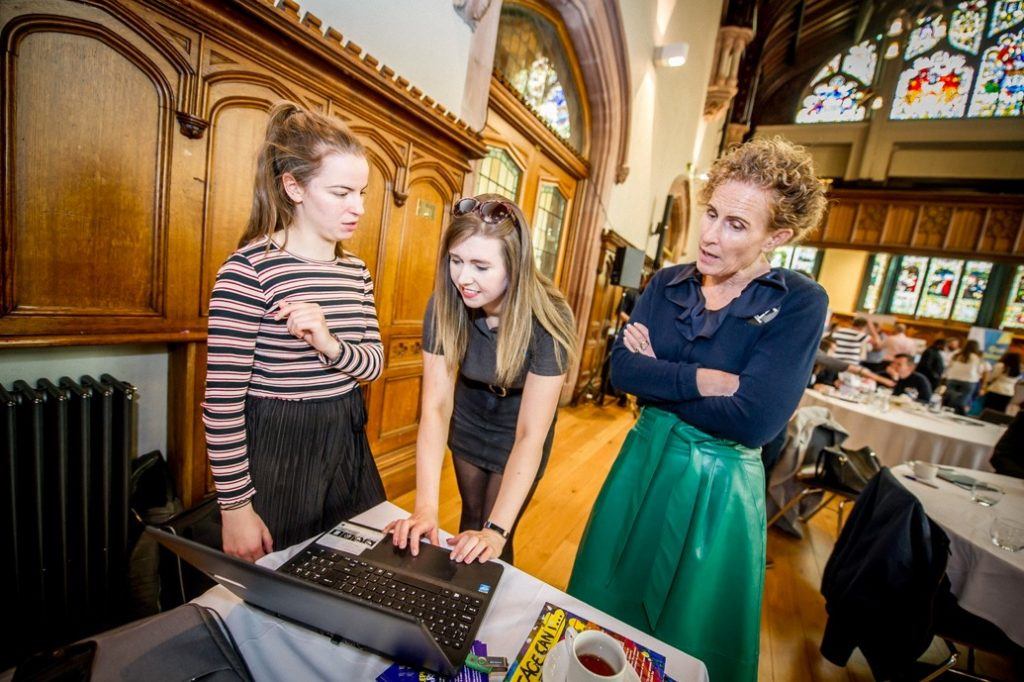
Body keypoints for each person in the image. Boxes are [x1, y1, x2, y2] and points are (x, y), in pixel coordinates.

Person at [567, 137, 829, 682]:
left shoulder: (799, 301)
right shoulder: (668, 282)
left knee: (689, 632)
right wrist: (704, 380)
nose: (709, 235)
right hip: (640, 465)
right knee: (604, 610)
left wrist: (660, 375)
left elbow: (756, 419)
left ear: (775, 236)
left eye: (736, 225)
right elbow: (623, 372)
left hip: (718, 486)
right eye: (711, 213)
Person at [203, 102, 386, 562]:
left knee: (355, 564)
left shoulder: (356, 271)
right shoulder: (248, 271)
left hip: (346, 435)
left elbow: (373, 366)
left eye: (361, 192)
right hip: (280, 447)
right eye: (342, 192)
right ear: (294, 187)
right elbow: (222, 404)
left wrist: (329, 344)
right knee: (281, 573)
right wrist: (235, 509)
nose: (358, 207)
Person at [384, 194, 578, 565]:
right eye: (456, 261)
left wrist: (497, 532)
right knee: (471, 517)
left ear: (515, 267)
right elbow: (436, 408)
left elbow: (530, 435)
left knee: (493, 535)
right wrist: (425, 509)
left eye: (481, 266)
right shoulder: (444, 303)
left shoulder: (549, 317)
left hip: (519, 421)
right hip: (471, 410)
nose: (463, 278)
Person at [943, 339, 987, 415]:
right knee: (962, 401)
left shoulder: (956, 355)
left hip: (952, 379)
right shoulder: (977, 358)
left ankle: (946, 410)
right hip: (969, 381)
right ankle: (958, 413)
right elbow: (980, 371)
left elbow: (949, 366)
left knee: (950, 398)